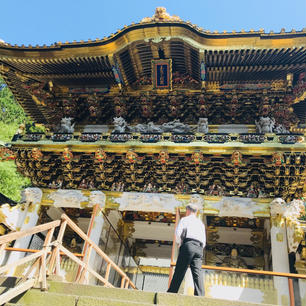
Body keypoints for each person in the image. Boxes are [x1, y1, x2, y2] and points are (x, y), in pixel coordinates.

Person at [167, 203, 206, 296]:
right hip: (199, 248)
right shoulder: (201, 223)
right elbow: (204, 240)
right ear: (196, 213)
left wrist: (180, 244)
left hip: (188, 245)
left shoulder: (184, 220)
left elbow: (178, 234)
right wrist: (200, 248)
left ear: (188, 211)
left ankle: (172, 292)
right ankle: (200, 295)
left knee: (180, 270)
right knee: (197, 273)